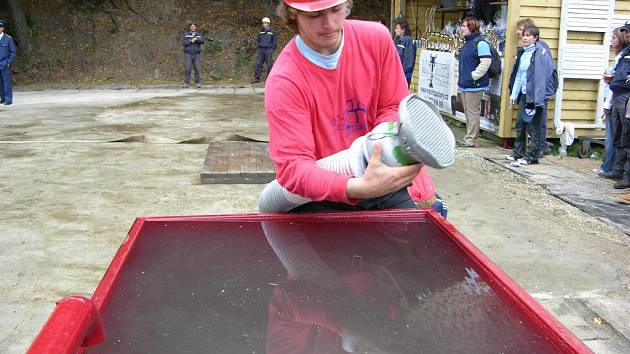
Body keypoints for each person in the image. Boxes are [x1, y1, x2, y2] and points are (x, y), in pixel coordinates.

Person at [264, 0, 447, 216]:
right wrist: (358, 187)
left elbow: (392, 105)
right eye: (315, 15)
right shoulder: (285, 80)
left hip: (389, 176)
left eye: (336, 9)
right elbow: (294, 169)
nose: (329, 23)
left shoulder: (375, 39)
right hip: (328, 192)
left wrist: (380, 149)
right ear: (294, 14)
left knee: (425, 234)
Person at [506, 26, 556, 165]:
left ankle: (532, 155)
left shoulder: (541, 53)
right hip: (524, 93)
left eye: (528, 35)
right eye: (524, 35)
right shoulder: (523, 53)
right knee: (520, 124)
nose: (525, 38)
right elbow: (519, 75)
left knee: (534, 125)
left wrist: (538, 97)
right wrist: (513, 95)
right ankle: (518, 152)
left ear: (535, 38)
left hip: (535, 95)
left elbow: (543, 76)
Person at [515, 18, 554, 156]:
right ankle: (521, 150)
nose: (519, 33)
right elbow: (520, 73)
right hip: (527, 91)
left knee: (537, 122)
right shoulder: (524, 50)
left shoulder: (541, 49)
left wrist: (545, 92)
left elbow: (547, 72)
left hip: (539, 93)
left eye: (522, 31)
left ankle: (539, 149)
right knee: (522, 122)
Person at [456, 17, 493, 148]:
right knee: (468, 112)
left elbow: (486, 62)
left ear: (472, 28)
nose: (462, 28)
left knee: (472, 112)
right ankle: (469, 137)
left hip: (474, 85)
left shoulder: (480, 43)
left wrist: (474, 76)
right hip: (466, 84)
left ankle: (472, 139)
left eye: (464, 26)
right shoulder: (468, 43)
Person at [599, 26, 630, 175]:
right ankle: (611, 167)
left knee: (616, 136)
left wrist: (607, 103)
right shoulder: (622, 55)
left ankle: (611, 168)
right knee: (615, 136)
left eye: (614, 38)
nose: (611, 41)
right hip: (614, 97)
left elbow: (620, 81)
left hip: (620, 98)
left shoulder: (625, 55)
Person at [252, 17, 278, 84]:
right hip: (261, 50)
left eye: (265, 23)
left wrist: (271, 49)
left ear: (268, 24)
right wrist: (258, 46)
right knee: (258, 64)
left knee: (269, 65)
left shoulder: (272, 32)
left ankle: (269, 79)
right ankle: (257, 79)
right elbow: (258, 40)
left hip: (268, 50)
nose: (264, 24)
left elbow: (275, 42)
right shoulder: (261, 32)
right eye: (263, 23)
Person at [181, 22, 205, 88]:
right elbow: (183, 42)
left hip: (196, 54)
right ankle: (186, 83)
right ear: (190, 28)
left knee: (197, 68)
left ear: (196, 27)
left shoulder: (199, 35)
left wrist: (196, 39)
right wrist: (191, 41)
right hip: (188, 54)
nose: (193, 27)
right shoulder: (186, 35)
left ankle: (197, 83)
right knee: (188, 68)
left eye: (194, 26)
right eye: (191, 26)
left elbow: (202, 41)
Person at [394, 20, 415, 87]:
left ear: (403, 30)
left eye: (397, 28)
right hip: (397, 73)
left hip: (404, 74)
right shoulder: (397, 40)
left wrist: (402, 72)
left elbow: (409, 60)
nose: (395, 30)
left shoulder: (408, 41)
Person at [0, 19, 17, 105]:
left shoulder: (8, 39)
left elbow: (13, 53)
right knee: (0, 83)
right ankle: (2, 98)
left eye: (0, 27)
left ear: (2, 28)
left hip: (4, 63)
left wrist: (8, 62)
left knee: (6, 82)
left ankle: (8, 99)